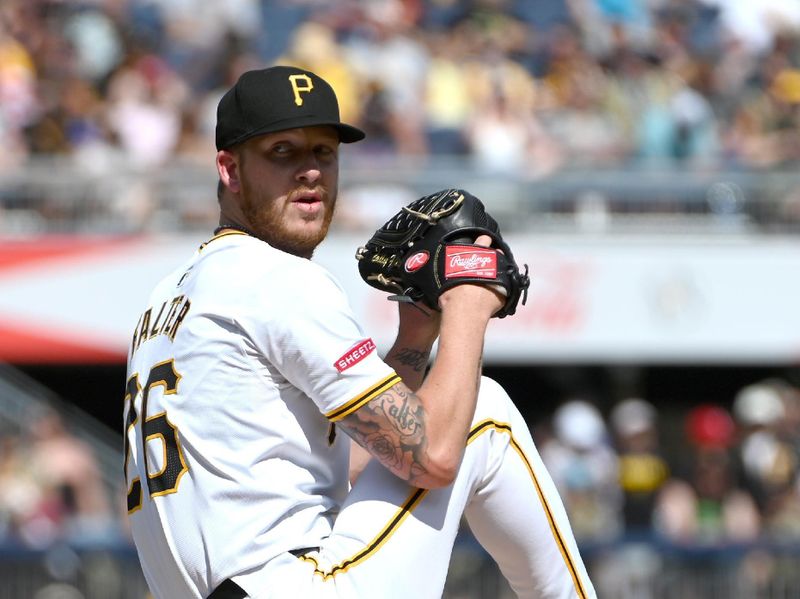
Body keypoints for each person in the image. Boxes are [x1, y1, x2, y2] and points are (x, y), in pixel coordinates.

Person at [122, 64, 595, 599]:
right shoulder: (274, 277)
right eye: (284, 152)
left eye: (324, 152)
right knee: (484, 413)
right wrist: (468, 301)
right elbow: (433, 456)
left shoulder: (170, 295)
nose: (310, 172)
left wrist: (415, 339)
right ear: (229, 169)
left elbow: (357, 456)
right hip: (289, 585)